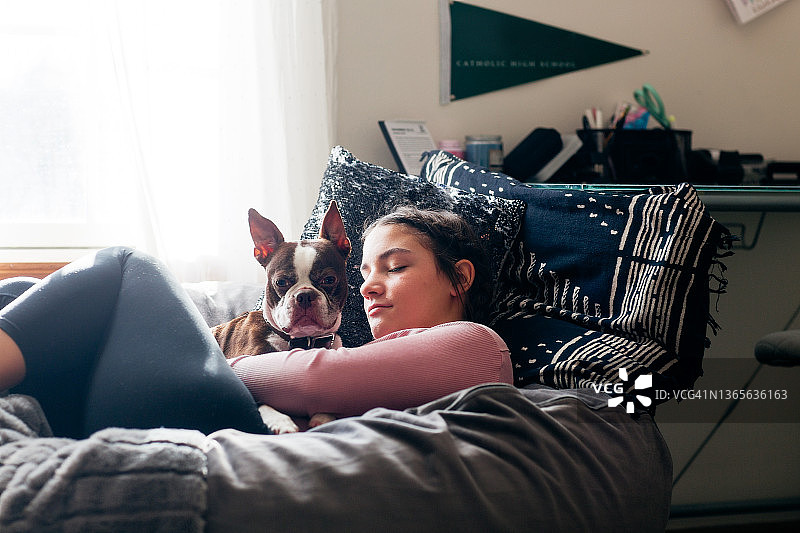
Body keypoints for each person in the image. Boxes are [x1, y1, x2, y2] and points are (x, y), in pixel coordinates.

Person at [0, 206, 511, 438]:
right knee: (24, 296)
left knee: (127, 266)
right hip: (188, 402)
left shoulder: (475, 344)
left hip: (217, 404)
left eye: (395, 267)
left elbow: (314, 377)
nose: (368, 286)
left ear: (458, 280)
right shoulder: (361, 348)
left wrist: (216, 354)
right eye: (363, 272)